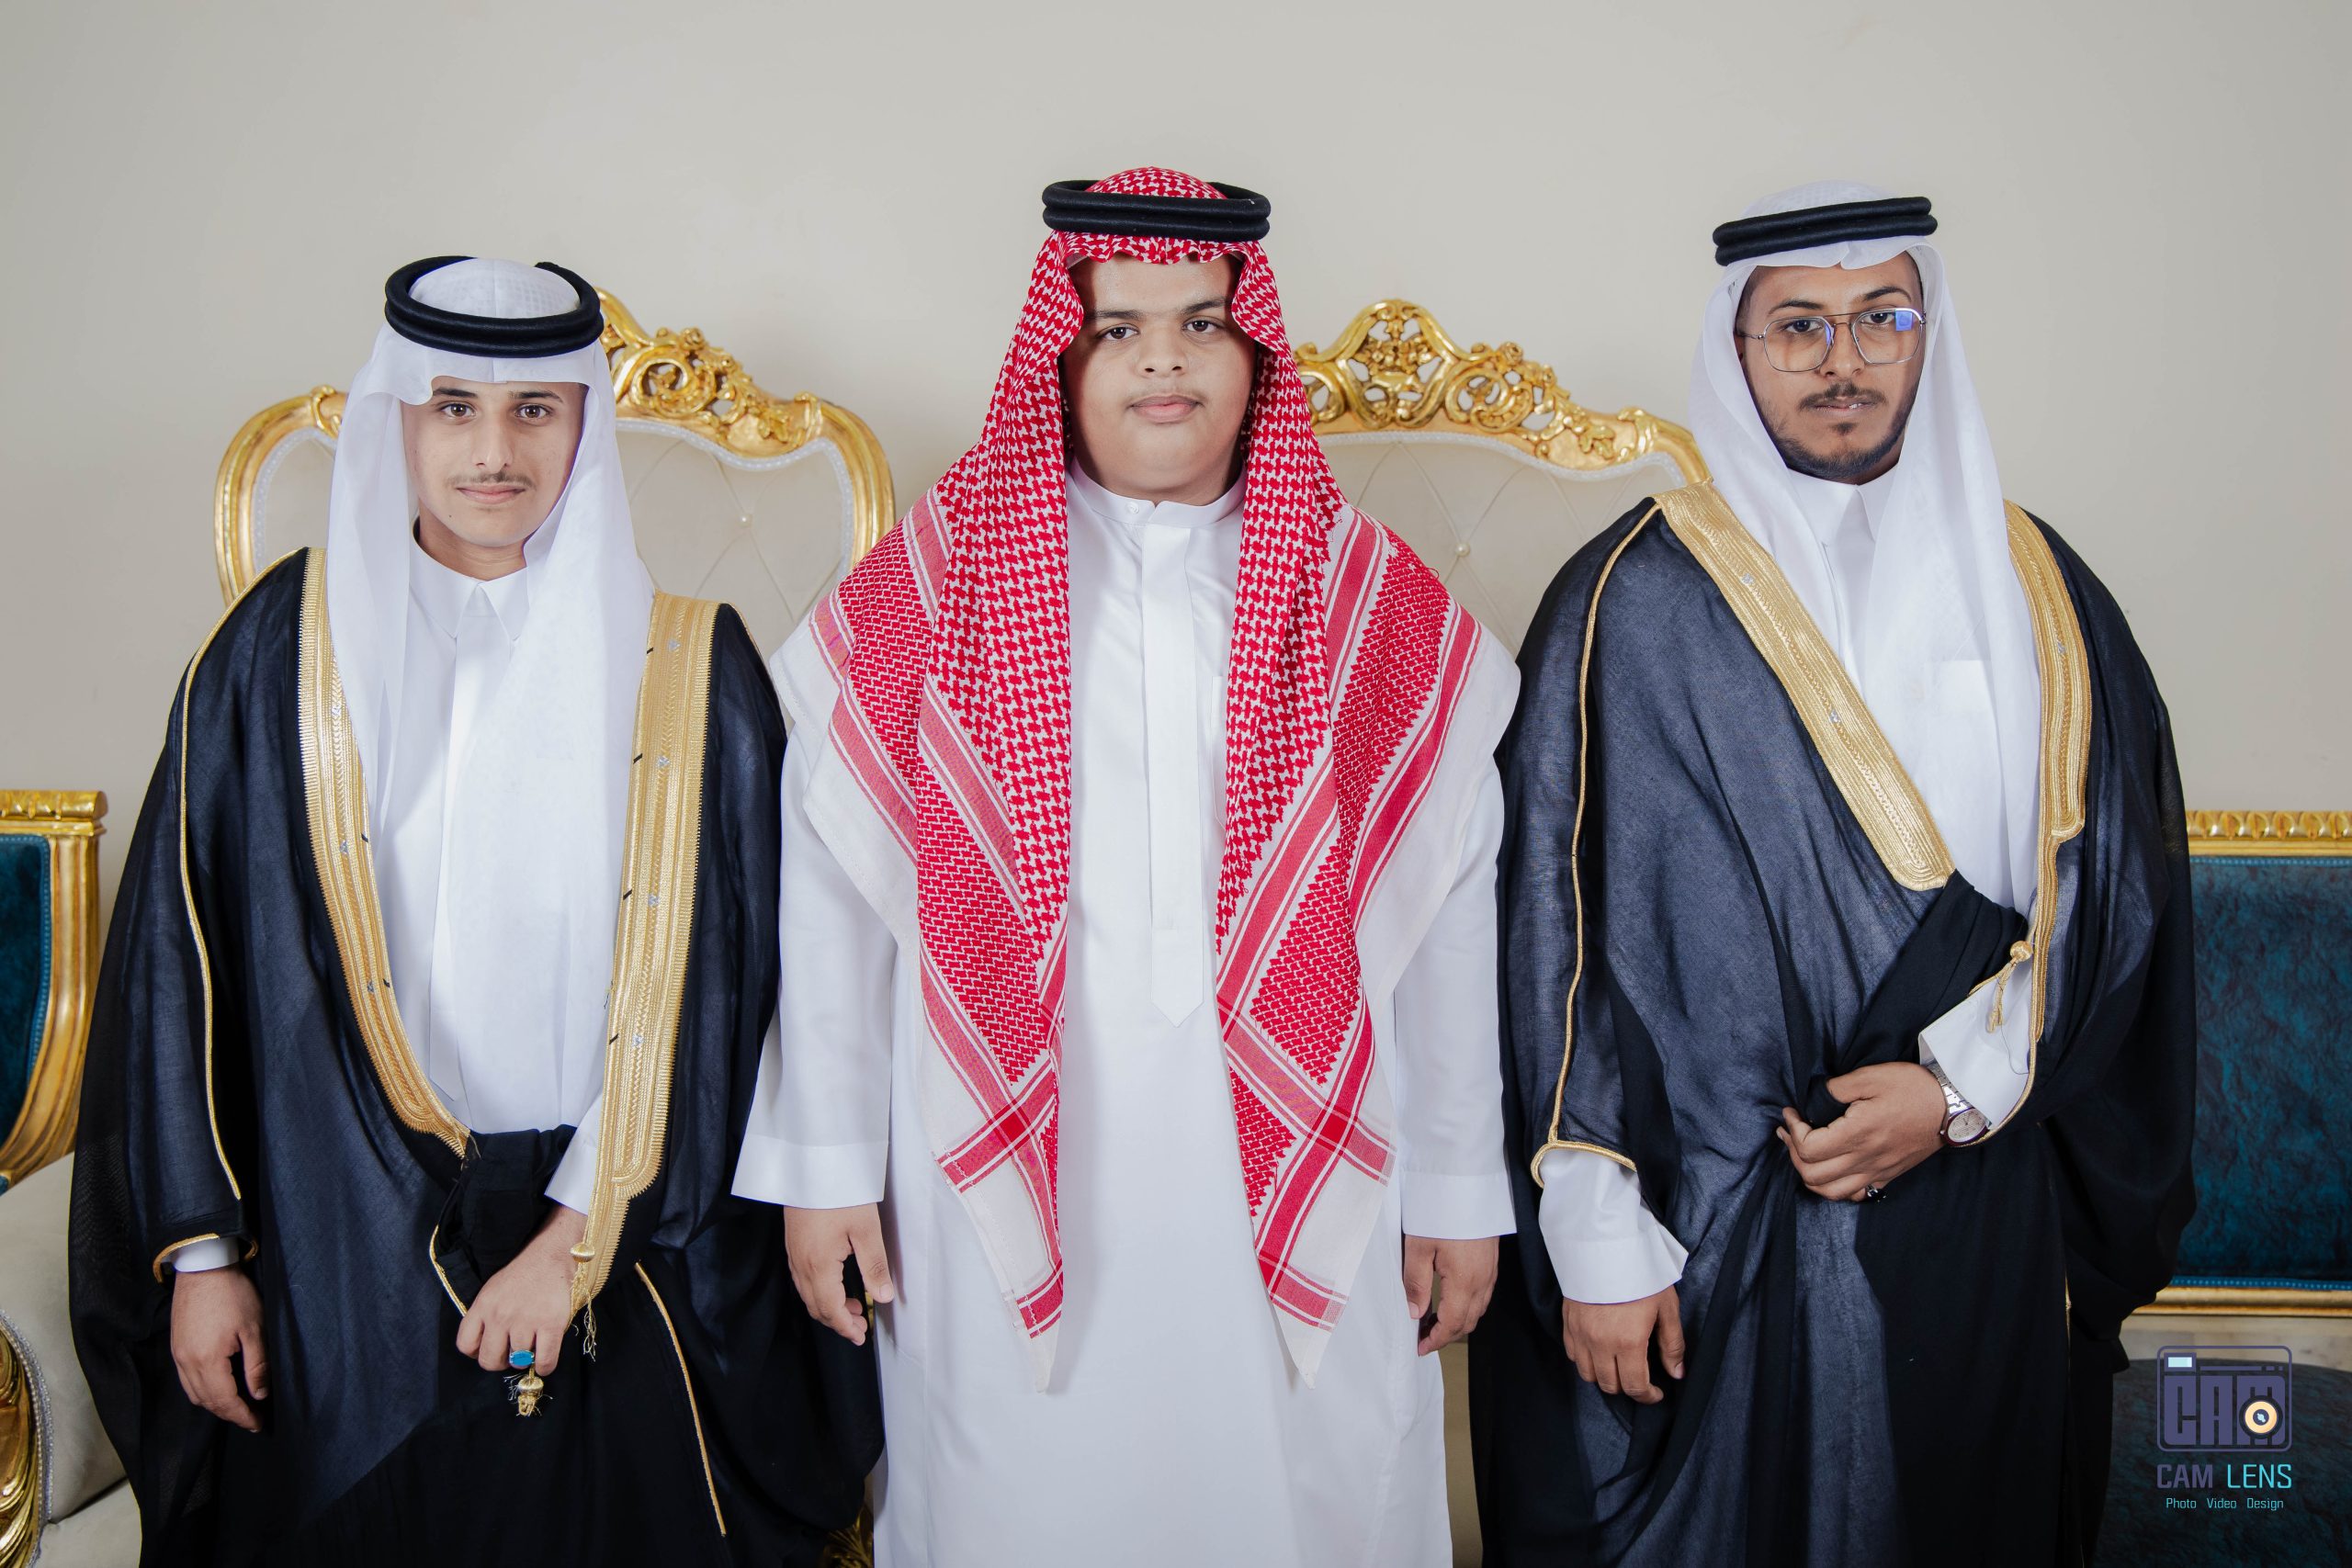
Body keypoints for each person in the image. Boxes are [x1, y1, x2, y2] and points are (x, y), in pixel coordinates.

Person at [738, 170, 1521, 1565]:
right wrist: (825, 1166)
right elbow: (835, 894)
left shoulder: (1366, 600)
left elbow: (1452, 909)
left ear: (1255, 351)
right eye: (1119, 330)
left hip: (1309, 1156)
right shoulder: (941, 585)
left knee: (1304, 1500)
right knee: (1019, 1502)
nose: (1164, 361)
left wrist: (1461, 1189)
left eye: (1202, 324)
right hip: (1000, 1150)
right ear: (1063, 355)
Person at [71, 256, 879, 1566]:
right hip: (337, 1252)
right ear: (399, 415)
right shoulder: (276, 653)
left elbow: (728, 1003)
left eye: (533, 411)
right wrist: (204, 1260)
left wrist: (570, 1244)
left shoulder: (691, 667)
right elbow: (182, 955)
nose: (494, 452)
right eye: (453, 407)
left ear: (584, 426)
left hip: (626, 1244)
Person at [1472, 185, 2198, 1567]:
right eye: (1799, 325)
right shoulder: (1632, 597)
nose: (1844, 361)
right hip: (1698, 1219)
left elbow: (2116, 893)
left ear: (1929, 336)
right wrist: (1600, 1241)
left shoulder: (2041, 591)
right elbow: (1552, 938)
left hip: (1972, 1198)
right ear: (1736, 347)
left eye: (1882, 320)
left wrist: (1957, 1095)